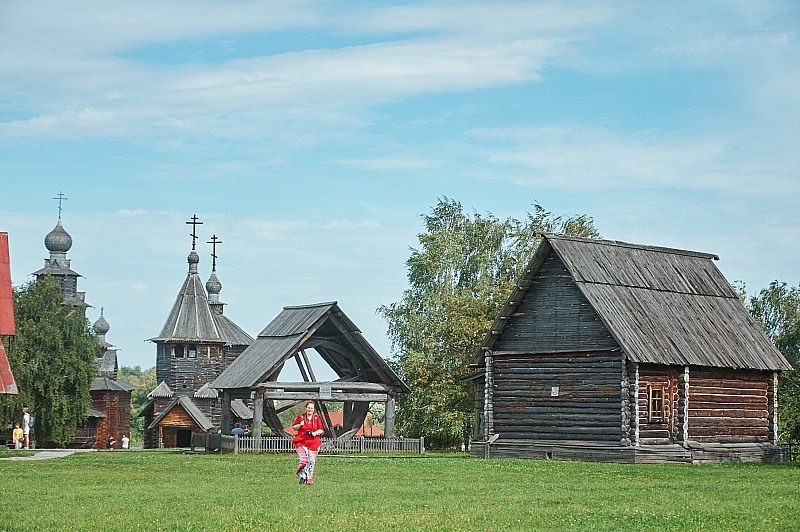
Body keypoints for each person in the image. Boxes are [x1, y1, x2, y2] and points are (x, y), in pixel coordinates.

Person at [291, 400, 323, 485]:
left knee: (311, 462)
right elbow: (294, 427)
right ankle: (302, 475)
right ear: (306, 408)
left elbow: (321, 430)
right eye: (308, 408)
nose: (310, 410)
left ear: (314, 409)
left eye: (311, 408)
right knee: (304, 460)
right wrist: (300, 425)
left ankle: (309, 479)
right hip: (301, 441)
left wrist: (315, 433)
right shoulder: (300, 417)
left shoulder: (316, 418)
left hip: (313, 443)